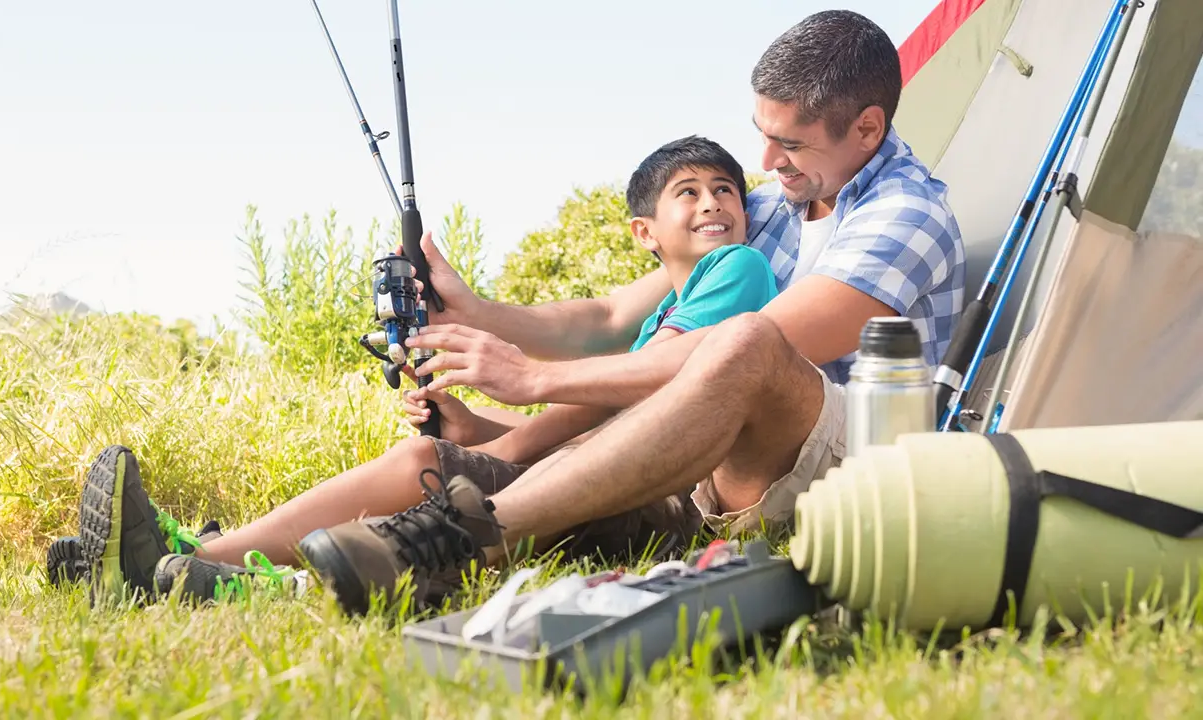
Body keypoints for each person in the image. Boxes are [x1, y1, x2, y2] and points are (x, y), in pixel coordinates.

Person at [294, 9, 966, 617]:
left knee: (747, 341)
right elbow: (613, 319)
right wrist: (476, 309)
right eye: (762, 134)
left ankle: (460, 534)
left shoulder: (905, 215)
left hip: (852, 469)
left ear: (867, 128)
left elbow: (742, 352)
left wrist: (535, 381)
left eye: (788, 143)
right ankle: (232, 560)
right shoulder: (767, 207)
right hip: (712, 451)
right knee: (458, 448)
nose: (764, 162)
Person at [64, 135, 782, 601]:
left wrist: (503, 435)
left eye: (725, 190)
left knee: (425, 464)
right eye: (687, 192)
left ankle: (185, 562)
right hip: (619, 481)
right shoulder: (671, 307)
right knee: (439, 453)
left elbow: (643, 394)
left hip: (665, 507)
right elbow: (610, 419)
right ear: (644, 233)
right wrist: (480, 425)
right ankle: (200, 562)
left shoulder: (737, 268)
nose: (713, 202)